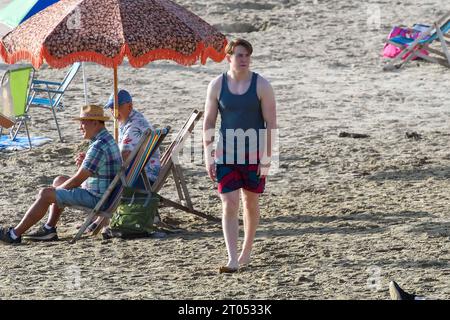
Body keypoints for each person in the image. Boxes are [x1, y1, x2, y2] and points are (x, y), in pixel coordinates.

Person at [203, 38, 277, 273]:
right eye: (239, 55)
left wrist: (267, 157)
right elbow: (209, 121)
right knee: (229, 203)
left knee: (250, 203)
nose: (244, 59)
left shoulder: (261, 85)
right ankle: (232, 258)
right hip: (226, 156)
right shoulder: (216, 85)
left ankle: (246, 252)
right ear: (229, 58)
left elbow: (271, 123)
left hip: (254, 155)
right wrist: (208, 155)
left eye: (247, 55)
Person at [0, 105, 121, 244]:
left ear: (95, 122)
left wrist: (55, 192)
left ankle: (14, 235)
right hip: (105, 193)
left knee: (45, 194)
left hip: (97, 198)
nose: (80, 127)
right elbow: (96, 170)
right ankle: (49, 229)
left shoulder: (98, 145)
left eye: (83, 122)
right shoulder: (106, 140)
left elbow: (77, 180)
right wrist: (83, 164)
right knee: (58, 180)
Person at [85, 89, 161, 233]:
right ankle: (99, 219)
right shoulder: (130, 120)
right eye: (111, 108)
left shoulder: (133, 126)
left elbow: (124, 156)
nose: (113, 113)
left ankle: (100, 220)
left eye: (117, 108)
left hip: (143, 177)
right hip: (141, 172)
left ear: (129, 107)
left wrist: (99, 161)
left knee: (106, 178)